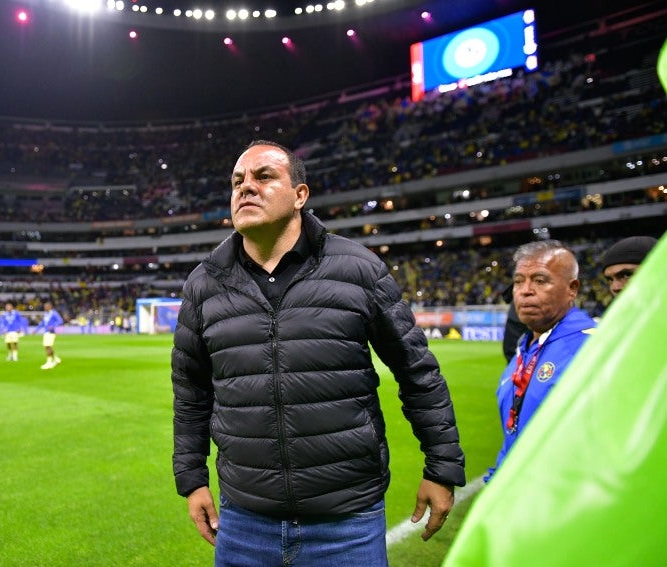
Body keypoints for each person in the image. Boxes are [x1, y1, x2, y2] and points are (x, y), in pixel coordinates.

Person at [171, 140, 465, 565]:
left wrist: (441, 466)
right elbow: (191, 394)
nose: (245, 188)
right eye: (237, 181)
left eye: (264, 176)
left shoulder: (358, 269)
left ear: (300, 196)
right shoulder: (203, 285)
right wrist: (192, 479)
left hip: (346, 522)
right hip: (244, 521)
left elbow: (416, 371)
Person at [486, 240, 596, 482]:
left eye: (540, 280)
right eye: (518, 281)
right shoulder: (524, 350)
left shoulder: (592, 349)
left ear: (572, 288)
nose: (525, 290)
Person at [35, 301, 63, 369]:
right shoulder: (46, 314)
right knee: (48, 346)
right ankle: (56, 359)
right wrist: (36, 329)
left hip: (51, 332)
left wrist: (53, 326)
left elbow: (60, 321)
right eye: (44, 306)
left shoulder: (54, 313)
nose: (45, 308)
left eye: (46, 306)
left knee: (47, 346)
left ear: (50, 306)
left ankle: (49, 362)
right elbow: (42, 323)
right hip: (46, 332)